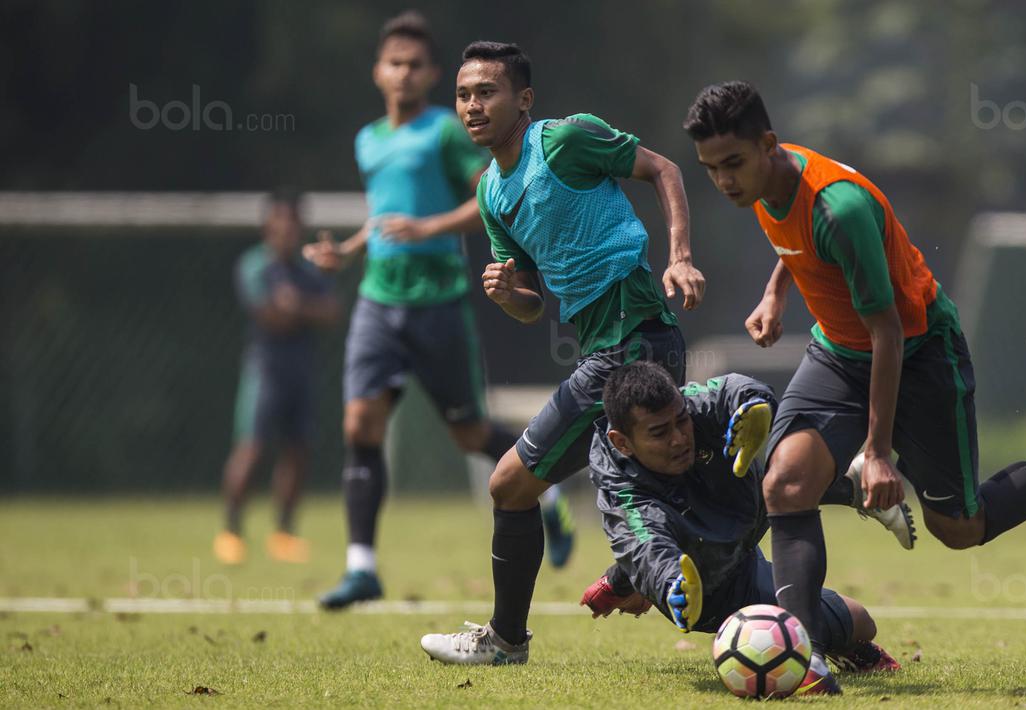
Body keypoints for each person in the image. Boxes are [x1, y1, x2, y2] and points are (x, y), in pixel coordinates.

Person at [681, 80, 1026, 671]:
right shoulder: (762, 184)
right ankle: (804, 656)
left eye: (732, 164)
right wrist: (775, 294)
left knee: (960, 529)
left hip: (920, 353)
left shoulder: (838, 208)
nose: (723, 180)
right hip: (839, 352)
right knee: (785, 484)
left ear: (768, 145)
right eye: (710, 169)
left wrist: (878, 453)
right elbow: (797, 241)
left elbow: (887, 332)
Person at [419, 41, 706, 665]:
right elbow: (531, 304)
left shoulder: (565, 140)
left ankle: (506, 641)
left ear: (523, 99)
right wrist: (508, 295)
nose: (472, 106)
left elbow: (663, 169)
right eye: (463, 95)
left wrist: (680, 256)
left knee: (510, 483)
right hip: (607, 345)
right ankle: (830, 498)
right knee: (681, 482)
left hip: (632, 338)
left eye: (487, 92)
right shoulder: (491, 193)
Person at [302, 12, 541, 609]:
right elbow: (384, 214)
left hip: (437, 300)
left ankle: (548, 484)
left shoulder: (445, 132)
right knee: (359, 427)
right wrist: (347, 251)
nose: (403, 73)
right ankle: (362, 567)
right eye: (394, 63)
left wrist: (428, 227)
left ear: (432, 74)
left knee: (469, 435)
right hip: (377, 300)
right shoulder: (368, 139)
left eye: (414, 65)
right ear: (378, 72)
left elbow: (488, 195)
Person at [579, 362, 900, 695]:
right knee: (858, 622)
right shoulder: (624, 493)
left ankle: (853, 488)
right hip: (718, 582)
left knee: (782, 478)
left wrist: (753, 405)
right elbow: (644, 544)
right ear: (622, 442)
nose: (679, 438)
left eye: (682, 421)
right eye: (660, 433)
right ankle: (626, 579)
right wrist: (671, 584)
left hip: (748, 515)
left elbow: (732, 387)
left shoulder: (690, 405)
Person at [214, 190, 339, 566]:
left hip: (302, 367)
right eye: (279, 222)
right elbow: (267, 315)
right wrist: (300, 310)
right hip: (265, 368)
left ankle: (283, 533)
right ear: (268, 226)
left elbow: (332, 311)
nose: (285, 229)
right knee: (251, 448)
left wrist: (295, 305)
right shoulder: (254, 265)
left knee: (297, 450)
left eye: (292, 223)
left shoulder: (308, 269)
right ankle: (231, 532)